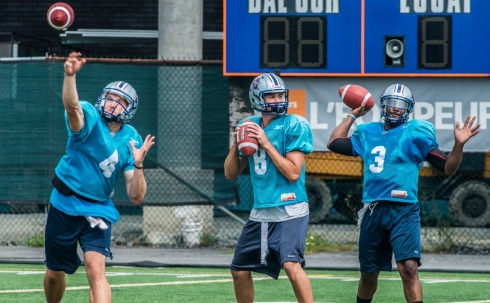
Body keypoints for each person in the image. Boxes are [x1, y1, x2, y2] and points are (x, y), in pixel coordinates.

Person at [327, 83, 481, 303]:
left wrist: (458, 145)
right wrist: (352, 115)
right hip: (373, 208)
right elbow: (333, 142)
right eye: (391, 104)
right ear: (383, 106)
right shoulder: (368, 131)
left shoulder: (415, 132)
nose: (396, 109)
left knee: (408, 267)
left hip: (404, 209)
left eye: (401, 105)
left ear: (408, 109)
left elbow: (448, 167)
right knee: (368, 273)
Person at [43, 52, 155, 303]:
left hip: (97, 207)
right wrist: (69, 76)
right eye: (110, 98)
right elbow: (72, 108)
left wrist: (138, 165)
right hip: (65, 201)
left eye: (120, 101)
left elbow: (136, 196)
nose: (113, 104)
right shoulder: (90, 117)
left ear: (130, 110)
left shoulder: (132, 137)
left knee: (96, 270)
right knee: (54, 273)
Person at [224, 73, 314, 303]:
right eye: (270, 95)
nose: (277, 100)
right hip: (261, 212)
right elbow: (230, 173)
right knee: (239, 269)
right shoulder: (248, 125)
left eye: (279, 95)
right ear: (257, 100)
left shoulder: (294, 124)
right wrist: (237, 146)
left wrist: (266, 143)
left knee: (291, 265)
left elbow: (294, 173)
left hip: (290, 208)